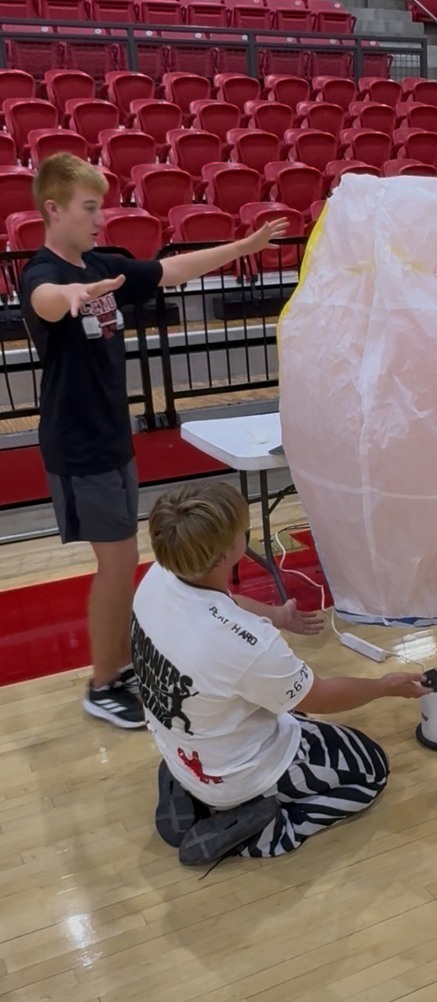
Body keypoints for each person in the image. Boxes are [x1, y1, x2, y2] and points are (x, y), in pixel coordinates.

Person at [20, 153, 288, 730]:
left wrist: (243, 247)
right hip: (78, 444)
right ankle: (103, 683)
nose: (100, 218)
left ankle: (117, 667)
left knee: (123, 561)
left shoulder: (103, 264)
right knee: (117, 564)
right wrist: (71, 296)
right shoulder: (41, 273)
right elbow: (44, 300)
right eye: (89, 207)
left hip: (112, 437)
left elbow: (171, 270)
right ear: (53, 209)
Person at [132, 480, 427, 863]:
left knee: (261, 698)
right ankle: (261, 833)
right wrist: (384, 686)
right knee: (370, 768)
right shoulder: (248, 645)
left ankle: (187, 787)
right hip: (234, 774)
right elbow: (321, 697)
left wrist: (277, 616)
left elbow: (220, 602)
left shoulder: (160, 575)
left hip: (180, 747)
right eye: (243, 530)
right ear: (224, 555)